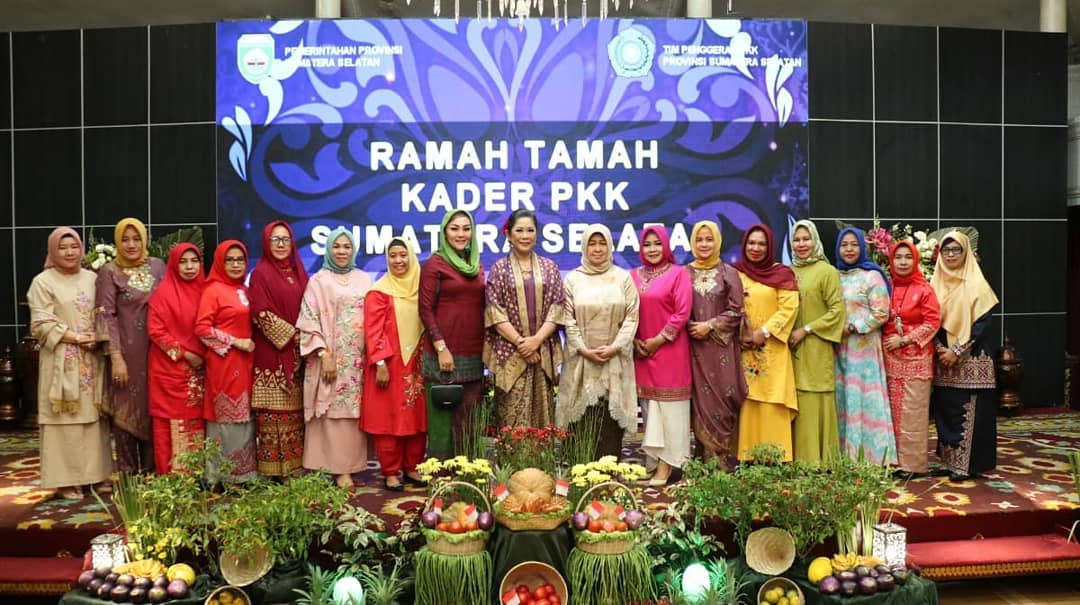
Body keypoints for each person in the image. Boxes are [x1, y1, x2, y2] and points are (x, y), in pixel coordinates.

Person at [28, 228, 112, 500]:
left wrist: (98, 336)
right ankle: (65, 481)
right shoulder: (42, 282)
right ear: (53, 250)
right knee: (64, 419)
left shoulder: (93, 278)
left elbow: (104, 312)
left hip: (91, 357)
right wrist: (75, 337)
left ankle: (95, 475)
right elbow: (40, 324)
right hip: (61, 359)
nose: (69, 252)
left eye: (74, 246)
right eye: (63, 247)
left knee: (93, 418)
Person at [297, 228, 372, 488]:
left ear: (354, 250)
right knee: (331, 414)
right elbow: (308, 321)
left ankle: (350, 466)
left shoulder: (364, 279)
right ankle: (334, 469)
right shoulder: (318, 281)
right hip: (329, 358)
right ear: (329, 249)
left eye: (347, 246)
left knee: (353, 414)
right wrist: (323, 354)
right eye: (337, 246)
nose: (342, 251)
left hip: (358, 361)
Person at [556, 224, 639, 459]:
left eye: (602, 243)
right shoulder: (573, 279)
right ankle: (578, 474)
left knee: (609, 423)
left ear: (610, 246)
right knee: (581, 422)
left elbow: (632, 317)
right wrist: (584, 349)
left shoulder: (623, 278)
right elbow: (567, 318)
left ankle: (608, 473)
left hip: (615, 362)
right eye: (592, 243)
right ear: (584, 246)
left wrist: (614, 347)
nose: (598, 248)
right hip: (581, 362)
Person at [94, 217, 165, 473]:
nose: (131, 244)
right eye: (125, 239)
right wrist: (116, 358)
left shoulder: (158, 266)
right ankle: (128, 475)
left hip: (157, 352)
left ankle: (151, 473)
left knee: (154, 409)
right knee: (125, 409)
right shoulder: (109, 272)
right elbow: (105, 315)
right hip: (126, 354)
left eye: (136, 239)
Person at [483, 209, 565, 428]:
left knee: (542, 420)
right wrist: (521, 344)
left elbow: (557, 308)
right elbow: (494, 312)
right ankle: (513, 453)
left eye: (530, 230)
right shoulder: (499, 269)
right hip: (510, 353)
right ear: (509, 234)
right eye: (519, 230)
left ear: (537, 234)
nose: (525, 236)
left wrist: (536, 341)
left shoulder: (550, 268)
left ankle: (541, 454)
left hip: (541, 352)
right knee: (512, 422)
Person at [929, 231, 999, 481]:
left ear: (966, 252)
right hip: (943, 360)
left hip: (972, 359)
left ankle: (968, 466)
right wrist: (940, 349)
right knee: (945, 412)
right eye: (946, 250)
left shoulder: (977, 284)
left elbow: (983, 324)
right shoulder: (934, 284)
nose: (950, 255)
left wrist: (957, 351)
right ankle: (950, 462)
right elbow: (929, 320)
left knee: (969, 414)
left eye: (956, 250)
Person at [362, 238, 428, 491]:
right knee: (388, 420)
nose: (398, 260)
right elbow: (373, 330)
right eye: (393, 256)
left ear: (411, 256)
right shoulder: (379, 292)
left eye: (403, 255)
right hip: (389, 364)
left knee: (417, 418)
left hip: (418, 364)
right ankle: (390, 472)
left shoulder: (423, 287)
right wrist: (380, 362)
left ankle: (411, 467)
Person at [419, 209, 486, 458]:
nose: (461, 234)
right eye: (454, 228)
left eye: (466, 229)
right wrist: (441, 348)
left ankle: (469, 475)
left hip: (473, 355)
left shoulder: (475, 264)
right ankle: (441, 476)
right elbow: (425, 310)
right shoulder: (434, 264)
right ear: (445, 232)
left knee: (469, 423)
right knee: (442, 423)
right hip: (443, 354)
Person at [732, 224, 799, 461]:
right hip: (743, 348)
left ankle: (775, 457)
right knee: (748, 400)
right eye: (751, 243)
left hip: (772, 350)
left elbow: (789, 308)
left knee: (772, 399)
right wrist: (740, 333)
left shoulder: (782, 274)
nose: (756, 248)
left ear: (770, 246)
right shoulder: (735, 273)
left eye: (762, 244)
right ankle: (747, 457)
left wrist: (764, 332)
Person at [632, 225, 692, 485]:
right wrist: (634, 340)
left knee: (671, 412)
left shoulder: (679, 274)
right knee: (650, 410)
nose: (652, 249)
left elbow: (682, 312)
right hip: (642, 352)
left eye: (657, 244)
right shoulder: (633, 276)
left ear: (666, 246)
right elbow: (627, 311)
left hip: (670, 351)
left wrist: (659, 339)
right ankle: (653, 462)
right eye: (647, 244)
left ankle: (667, 467)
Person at [248, 220, 309, 478]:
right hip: (272, 354)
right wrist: (294, 335)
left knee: (295, 414)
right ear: (266, 242)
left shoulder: (298, 272)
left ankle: (294, 468)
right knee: (274, 414)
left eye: (285, 239)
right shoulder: (261, 273)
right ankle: (272, 471)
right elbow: (260, 313)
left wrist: (306, 334)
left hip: (297, 353)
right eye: (275, 239)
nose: (281, 244)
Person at [685, 220, 747, 467]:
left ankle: (720, 462)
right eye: (699, 239)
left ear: (718, 242)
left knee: (722, 402)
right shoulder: (683, 273)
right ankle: (702, 461)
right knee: (698, 404)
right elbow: (677, 307)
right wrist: (688, 325)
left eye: (709, 239)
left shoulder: (729, 273)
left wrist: (709, 325)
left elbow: (737, 311)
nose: (704, 244)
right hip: (692, 351)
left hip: (722, 351)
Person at [195, 241, 257, 482]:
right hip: (225, 362)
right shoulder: (213, 290)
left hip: (246, 362)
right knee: (226, 416)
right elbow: (202, 328)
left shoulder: (244, 289)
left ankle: (244, 475)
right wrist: (235, 341)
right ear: (220, 262)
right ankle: (221, 476)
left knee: (245, 416)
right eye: (229, 260)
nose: (235, 264)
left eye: (240, 260)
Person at [834, 227, 895, 465]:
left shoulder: (872, 276)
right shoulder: (835, 275)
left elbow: (881, 313)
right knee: (844, 399)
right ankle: (845, 455)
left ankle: (873, 457)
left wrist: (853, 327)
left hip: (864, 350)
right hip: (839, 349)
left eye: (854, 244)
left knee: (864, 399)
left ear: (862, 247)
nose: (849, 249)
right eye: (844, 245)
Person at [147, 243, 208, 474]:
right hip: (169, 370)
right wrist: (185, 354)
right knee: (170, 424)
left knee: (197, 422)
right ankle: (171, 477)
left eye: (194, 261)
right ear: (173, 265)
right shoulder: (163, 294)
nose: (189, 267)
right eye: (183, 262)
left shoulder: (207, 291)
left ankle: (196, 475)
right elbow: (155, 331)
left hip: (202, 371)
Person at [788, 220, 845, 464]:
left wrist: (806, 329)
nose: (802, 244)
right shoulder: (788, 271)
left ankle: (817, 460)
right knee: (795, 399)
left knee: (814, 397)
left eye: (806, 239)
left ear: (815, 241)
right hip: (790, 349)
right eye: (797, 240)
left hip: (816, 346)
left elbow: (837, 311)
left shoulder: (826, 271)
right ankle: (796, 458)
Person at [883, 241, 941, 479]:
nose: (903, 262)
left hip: (916, 359)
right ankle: (892, 461)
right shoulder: (886, 287)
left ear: (915, 260)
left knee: (913, 412)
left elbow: (933, 322)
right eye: (898, 257)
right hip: (889, 358)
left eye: (908, 257)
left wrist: (905, 340)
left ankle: (913, 465)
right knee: (892, 411)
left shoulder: (924, 289)